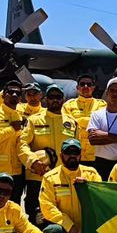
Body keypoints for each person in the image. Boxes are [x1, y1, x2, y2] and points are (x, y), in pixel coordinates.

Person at [40, 139, 102, 233]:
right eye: (68, 153)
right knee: (52, 231)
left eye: (76, 153)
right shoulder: (50, 177)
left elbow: (101, 200)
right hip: (64, 229)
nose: (72, 156)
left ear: (81, 155)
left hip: (86, 230)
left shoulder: (91, 174)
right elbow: (47, 207)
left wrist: (89, 188)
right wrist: (69, 226)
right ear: (61, 155)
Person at [19, 84, 76, 222]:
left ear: (63, 100)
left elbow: (77, 151)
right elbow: (22, 144)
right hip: (38, 177)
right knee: (36, 219)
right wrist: (33, 162)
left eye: (58, 97)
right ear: (45, 99)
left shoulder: (72, 122)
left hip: (62, 178)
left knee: (62, 219)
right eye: (51, 97)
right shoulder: (33, 120)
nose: (54, 100)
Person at [0, 80, 28, 212]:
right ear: (3, 95)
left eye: (18, 93)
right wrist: (11, 129)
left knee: (13, 209)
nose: (14, 94)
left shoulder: (23, 117)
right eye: (10, 92)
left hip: (17, 172)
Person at [63, 75, 106, 168]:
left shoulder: (102, 105)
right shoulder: (68, 105)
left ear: (93, 87)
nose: (85, 87)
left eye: (89, 84)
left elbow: (103, 124)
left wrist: (78, 122)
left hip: (96, 155)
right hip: (75, 154)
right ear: (77, 87)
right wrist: (91, 122)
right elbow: (67, 126)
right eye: (82, 84)